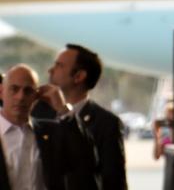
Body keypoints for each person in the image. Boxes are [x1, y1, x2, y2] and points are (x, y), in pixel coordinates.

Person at [43, 44, 127, 189]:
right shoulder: (38, 114)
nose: (50, 70)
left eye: (59, 65)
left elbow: (114, 182)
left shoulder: (106, 123)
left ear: (79, 76)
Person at [0, 64, 88, 190]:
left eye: (28, 91)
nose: (20, 97)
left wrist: (63, 109)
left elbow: (86, 159)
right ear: (1, 92)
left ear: (36, 96)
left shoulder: (51, 132)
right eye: (14, 89)